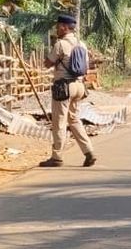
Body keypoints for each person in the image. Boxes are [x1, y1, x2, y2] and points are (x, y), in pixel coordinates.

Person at [39, 15, 97, 168]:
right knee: (74, 119)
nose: (56, 29)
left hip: (64, 87)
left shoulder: (60, 44)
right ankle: (89, 152)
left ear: (64, 27)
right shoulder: (81, 45)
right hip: (79, 86)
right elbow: (86, 67)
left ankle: (57, 157)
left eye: (58, 27)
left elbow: (47, 63)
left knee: (59, 122)